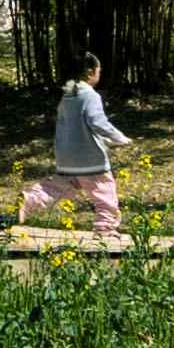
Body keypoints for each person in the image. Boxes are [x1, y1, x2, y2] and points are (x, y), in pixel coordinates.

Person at [20, 55, 135, 243]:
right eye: (99, 71)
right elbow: (97, 122)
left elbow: (71, 125)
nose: (99, 75)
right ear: (91, 72)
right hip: (89, 158)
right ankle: (105, 229)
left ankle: (30, 200)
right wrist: (119, 137)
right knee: (105, 192)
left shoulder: (68, 95)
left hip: (67, 156)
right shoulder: (90, 95)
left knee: (61, 187)